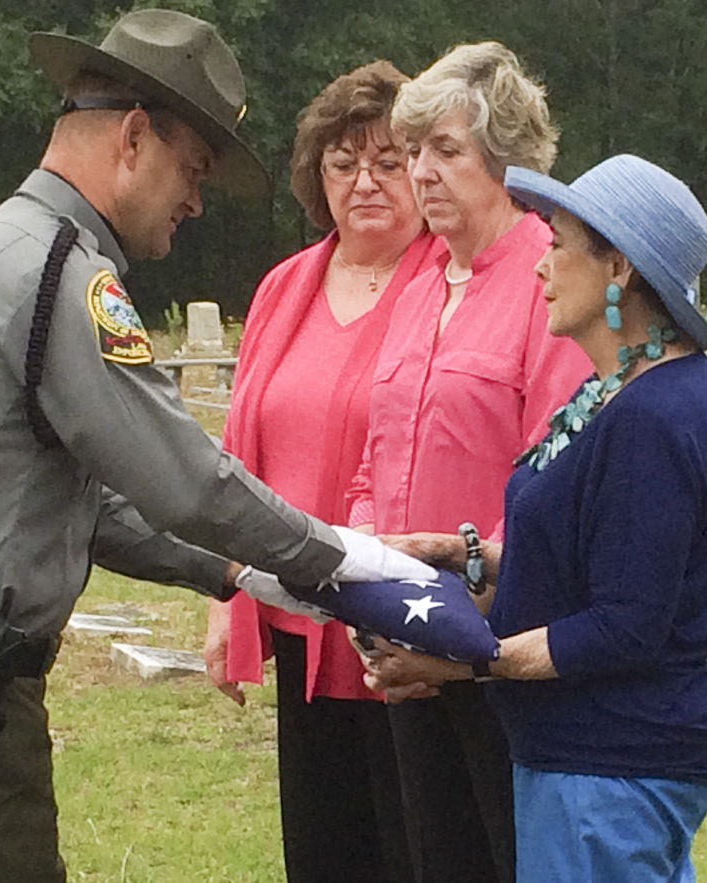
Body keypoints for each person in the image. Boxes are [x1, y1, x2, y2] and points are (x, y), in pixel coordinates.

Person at [0, 11, 434, 883]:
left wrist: (238, 574)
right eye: (193, 169)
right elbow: (187, 481)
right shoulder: (64, 276)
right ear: (133, 138)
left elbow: (73, 503)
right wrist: (346, 562)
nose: (196, 201)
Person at [365, 154, 707, 882]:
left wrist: (459, 663)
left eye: (559, 243)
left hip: (611, 767)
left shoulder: (655, 415)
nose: (540, 266)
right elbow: (592, 551)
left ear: (619, 270)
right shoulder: (614, 391)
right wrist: (459, 552)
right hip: (586, 761)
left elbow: (623, 624)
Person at [343, 43, 590, 883]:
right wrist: (368, 582)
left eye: (444, 150)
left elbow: (554, 478)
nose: (420, 171)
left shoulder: (548, 278)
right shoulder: (416, 289)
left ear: (506, 156)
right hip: (409, 640)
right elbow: (374, 459)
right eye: (414, 152)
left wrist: (458, 616)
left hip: (504, 643)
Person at [202, 61, 443, 881]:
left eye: (385, 160)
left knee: (415, 842)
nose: (365, 181)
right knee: (324, 844)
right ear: (318, 176)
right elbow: (237, 452)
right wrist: (224, 594)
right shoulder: (284, 287)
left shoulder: (448, 282)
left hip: (408, 614)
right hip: (299, 609)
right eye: (343, 164)